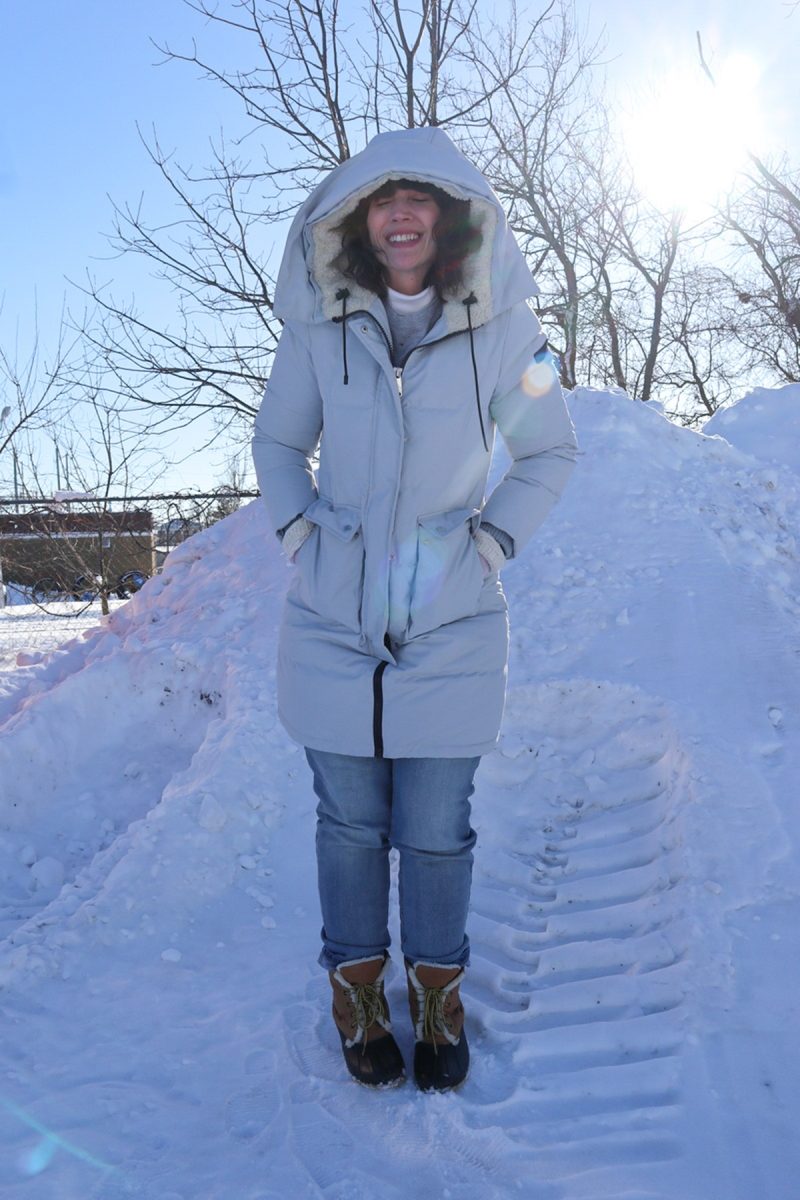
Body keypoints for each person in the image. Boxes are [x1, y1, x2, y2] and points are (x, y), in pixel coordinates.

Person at [252, 127, 577, 1091]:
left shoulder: (512, 335)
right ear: (357, 222)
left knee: (438, 829)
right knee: (348, 823)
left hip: (452, 618)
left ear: (452, 222)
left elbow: (550, 452)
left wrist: (490, 543)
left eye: (421, 199)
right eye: (382, 200)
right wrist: (304, 541)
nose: (400, 213)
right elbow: (276, 446)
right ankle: (356, 990)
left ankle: (438, 993)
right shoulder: (319, 331)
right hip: (333, 617)